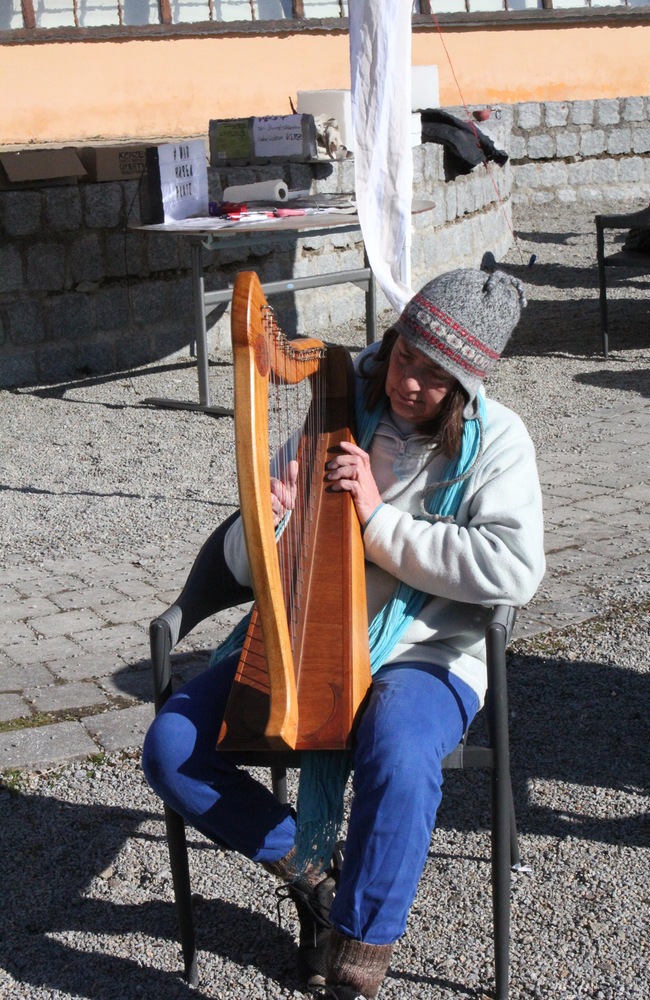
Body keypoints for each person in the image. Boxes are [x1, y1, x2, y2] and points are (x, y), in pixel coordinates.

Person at [142, 267, 545, 1000]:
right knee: (172, 747)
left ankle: (358, 952)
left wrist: (376, 519)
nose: (408, 382)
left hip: (427, 645)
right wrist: (269, 518)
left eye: (434, 375)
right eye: (403, 355)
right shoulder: (340, 398)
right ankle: (313, 873)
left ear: (464, 386)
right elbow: (249, 568)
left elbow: (514, 570)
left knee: (399, 752)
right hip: (308, 629)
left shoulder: (499, 442)